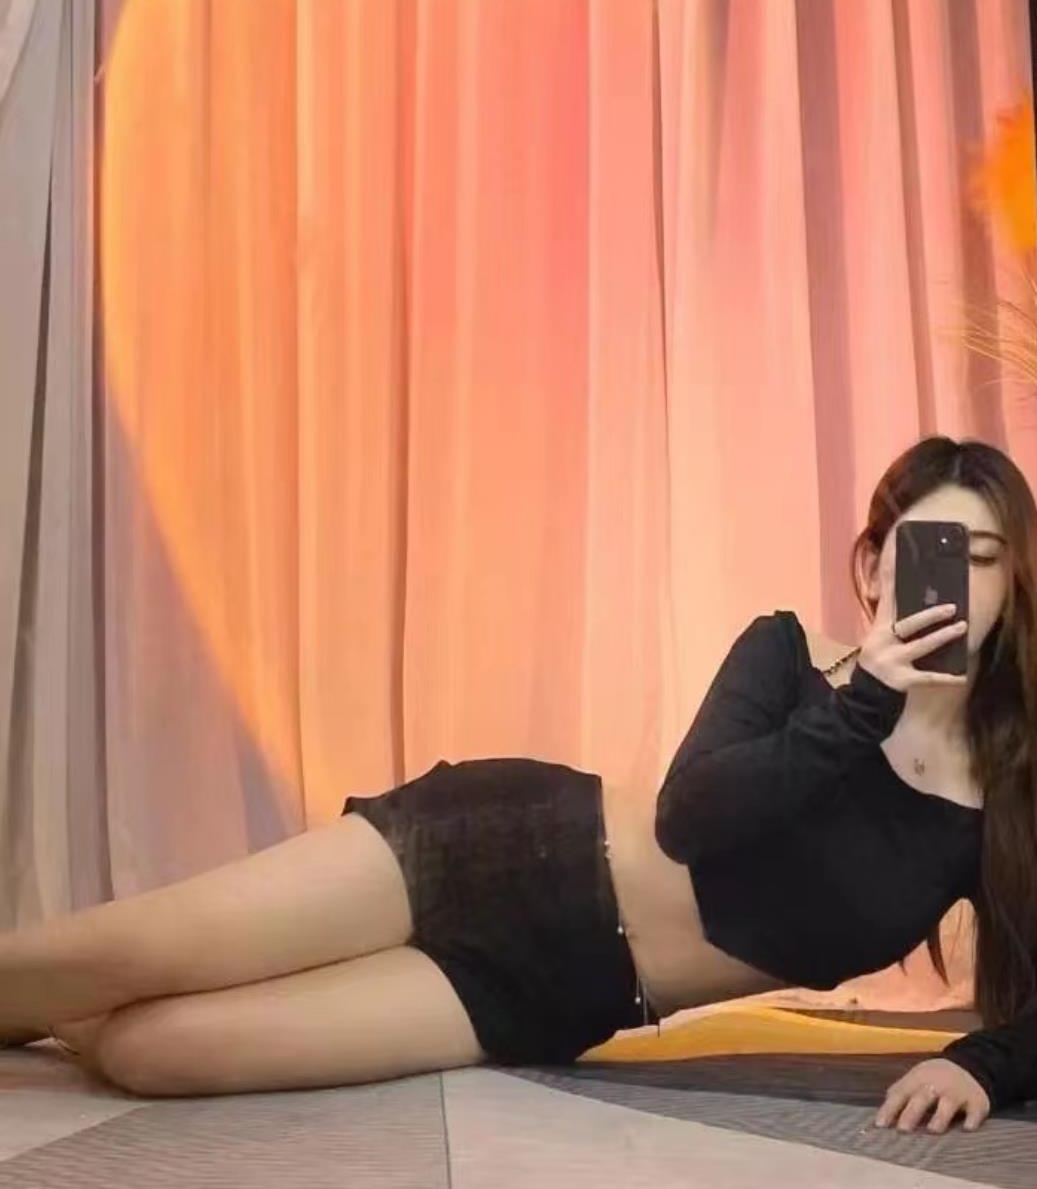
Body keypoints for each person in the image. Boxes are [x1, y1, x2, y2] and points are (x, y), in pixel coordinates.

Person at [0, 436, 1034, 1135]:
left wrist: (979, 1065)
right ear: (872, 568)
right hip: (503, 842)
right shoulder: (787, 656)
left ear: (1014, 580)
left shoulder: (991, 806)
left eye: (981, 556)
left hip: (551, 993)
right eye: (927, 551)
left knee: (154, 1051)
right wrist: (862, 702)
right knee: (108, 955)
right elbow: (690, 818)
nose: (953, 582)